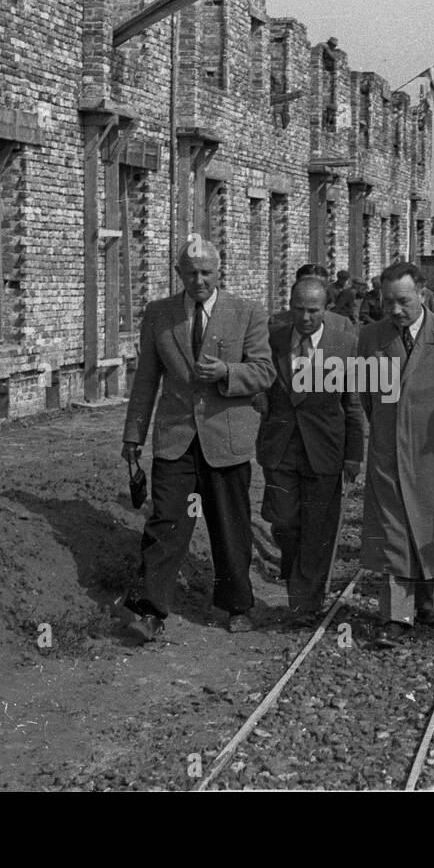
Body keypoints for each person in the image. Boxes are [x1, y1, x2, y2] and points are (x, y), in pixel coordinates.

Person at [118, 239, 275, 640]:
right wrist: (133, 434)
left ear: (219, 272)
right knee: (165, 523)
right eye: (191, 273)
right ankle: (148, 611)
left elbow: (264, 372)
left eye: (206, 272)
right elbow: (146, 380)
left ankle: (237, 605)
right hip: (175, 439)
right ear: (179, 275)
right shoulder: (159, 314)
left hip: (225, 440)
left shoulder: (247, 313)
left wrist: (226, 372)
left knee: (230, 525)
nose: (199, 280)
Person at [358, 262, 434, 648]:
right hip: (390, 452)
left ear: (424, 294)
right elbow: (367, 399)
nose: (395, 310)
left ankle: (425, 601)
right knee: (395, 532)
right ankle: (397, 615)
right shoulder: (371, 338)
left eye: (404, 301)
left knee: (428, 529)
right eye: (388, 302)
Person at [258, 277, 364, 624]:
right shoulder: (272, 339)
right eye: (299, 310)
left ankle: (305, 604)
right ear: (290, 306)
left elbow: (353, 403)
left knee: (318, 528)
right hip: (281, 447)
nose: (305, 318)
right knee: (285, 520)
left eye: (313, 311)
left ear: (326, 309)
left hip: (325, 448)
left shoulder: (344, 342)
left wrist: (353, 453)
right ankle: (294, 568)